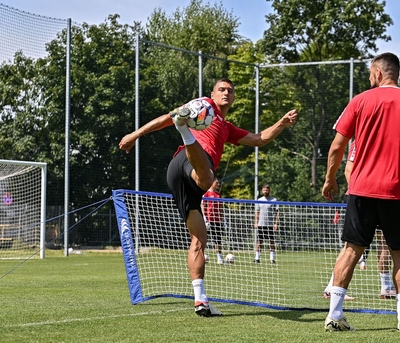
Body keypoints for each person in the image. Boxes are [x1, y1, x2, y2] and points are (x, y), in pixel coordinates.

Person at [119, 78, 298, 317]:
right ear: (212, 94)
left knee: (199, 239)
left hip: (185, 181)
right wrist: (135, 134)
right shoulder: (203, 106)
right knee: (206, 178)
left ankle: (200, 300)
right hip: (186, 163)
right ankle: (184, 133)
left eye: (230, 91)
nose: (226, 93)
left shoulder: (226, 126)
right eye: (221, 89)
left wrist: (282, 123)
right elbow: (166, 117)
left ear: (233, 98)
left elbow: (259, 139)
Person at [321, 52, 400, 332]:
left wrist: (330, 179)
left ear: (377, 73)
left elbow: (337, 147)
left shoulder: (360, 101)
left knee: (350, 250)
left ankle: (334, 316)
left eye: (370, 73)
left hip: (361, 190)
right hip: (398, 193)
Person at [323, 141, 396, 301]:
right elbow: (348, 169)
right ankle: (332, 287)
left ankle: (386, 287)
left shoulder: (386, 137)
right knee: (351, 246)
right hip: (360, 197)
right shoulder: (360, 140)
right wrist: (362, 195)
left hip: (381, 197)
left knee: (384, 241)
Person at [202, 178, 225, 264]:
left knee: (218, 240)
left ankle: (219, 258)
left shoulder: (218, 194)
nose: (218, 184)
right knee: (204, 239)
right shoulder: (206, 193)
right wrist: (204, 217)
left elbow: (221, 207)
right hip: (209, 220)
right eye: (216, 182)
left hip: (217, 220)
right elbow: (203, 205)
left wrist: (223, 219)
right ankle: (202, 255)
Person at [254, 184, 279, 264]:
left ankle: (272, 259)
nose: (265, 191)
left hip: (270, 224)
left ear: (269, 190)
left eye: (267, 190)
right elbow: (257, 212)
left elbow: (277, 212)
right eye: (264, 190)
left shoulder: (274, 200)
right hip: (261, 224)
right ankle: (257, 258)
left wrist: (276, 223)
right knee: (259, 241)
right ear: (262, 191)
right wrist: (256, 222)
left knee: (271, 241)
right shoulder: (259, 200)